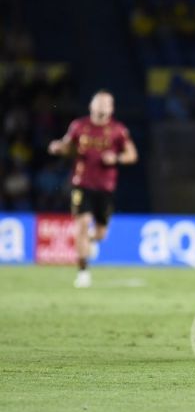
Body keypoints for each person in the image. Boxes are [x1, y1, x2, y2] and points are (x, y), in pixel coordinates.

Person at [48, 90, 139, 288]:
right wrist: (58, 147)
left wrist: (116, 158)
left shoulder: (118, 130)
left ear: (112, 108)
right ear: (91, 106)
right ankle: (82, 273)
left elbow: (132, 155)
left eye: (106, 104)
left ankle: (87, 242)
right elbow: (66, 145)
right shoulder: (79, 126)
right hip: (81, 184)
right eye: (99, 103)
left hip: (105, 188)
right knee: (82, 223)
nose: (102, 107)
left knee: (100, 233)